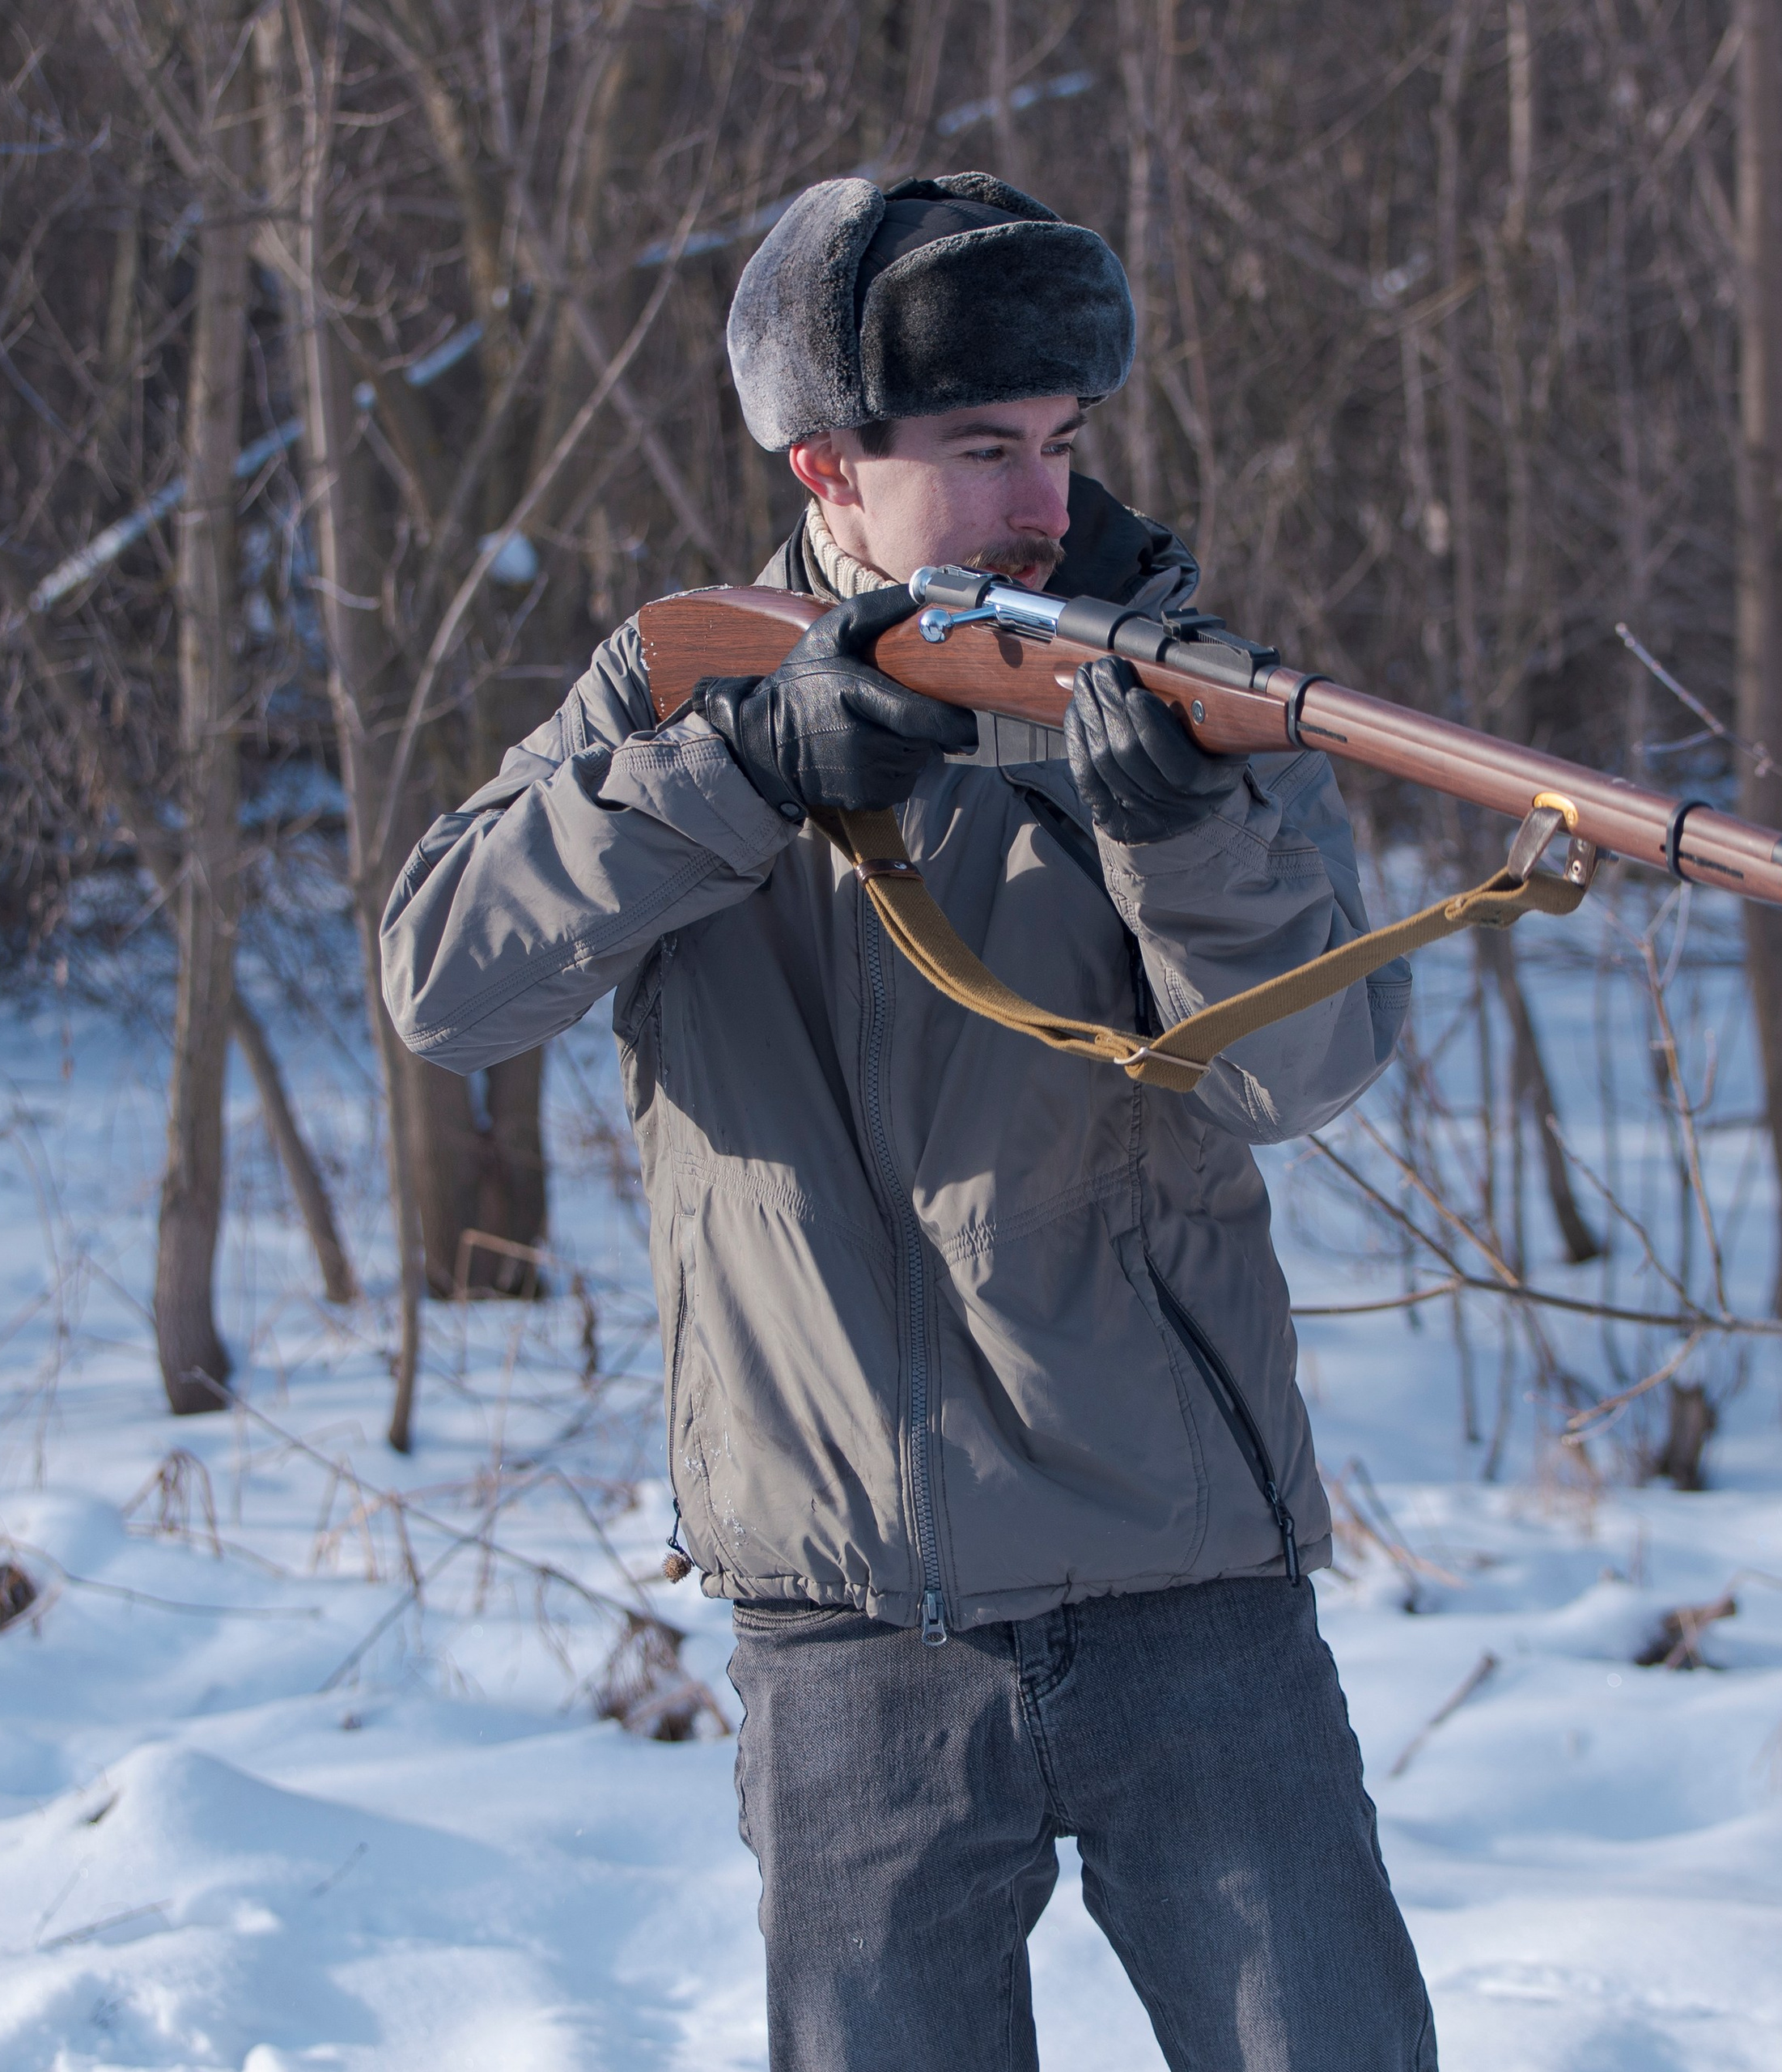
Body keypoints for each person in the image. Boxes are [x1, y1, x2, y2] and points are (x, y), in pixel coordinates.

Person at [382, 171, 1437, 2072]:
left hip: (1184, 1578)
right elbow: (444, 980)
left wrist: (1179, 838)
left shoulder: (1185, 695)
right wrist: (734, 774)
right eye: (976, 447)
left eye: (1059, 440)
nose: (1042, 499)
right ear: (821, 466)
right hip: (844, 1620)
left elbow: (1308, 1074)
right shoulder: (678, 687)